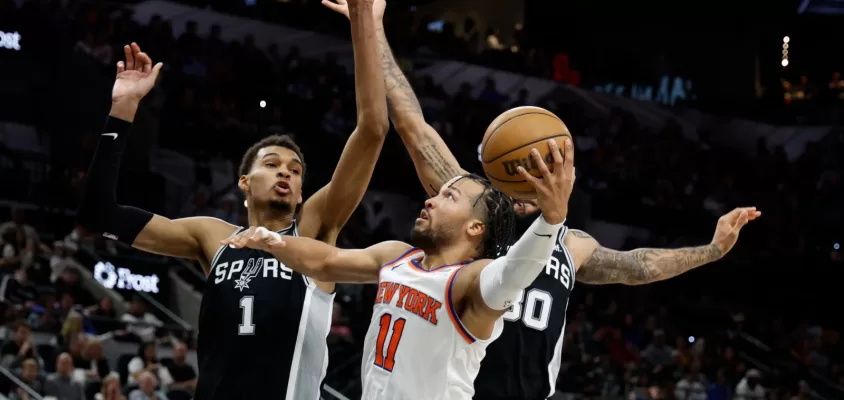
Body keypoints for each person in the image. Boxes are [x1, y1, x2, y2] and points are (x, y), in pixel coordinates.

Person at [320, 1, 762, 399]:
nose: (534, 174)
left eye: (546, 164)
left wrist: (712, 250)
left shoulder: (572, 245)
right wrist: (373, 27)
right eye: (524, 166)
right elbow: (412, 125)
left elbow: (638, 266)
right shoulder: (475, 207)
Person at [76, 0, 389, 395]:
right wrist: (122, 110)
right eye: (273, 164)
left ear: (301, 193)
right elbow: (98, 214)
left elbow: (373, 130)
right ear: (244, 181)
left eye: (295, 171)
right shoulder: (212, 237)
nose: (285, 174)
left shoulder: (313, 231)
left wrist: (363, 23)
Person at [222, 137, 575, 399]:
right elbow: (326, 261)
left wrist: (552, 220)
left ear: (475, 228)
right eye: (438, 193)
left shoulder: (469, 281)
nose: (430, 199)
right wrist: (274, 241)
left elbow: (515, 271)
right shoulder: (396, 256)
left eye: (448, 197)